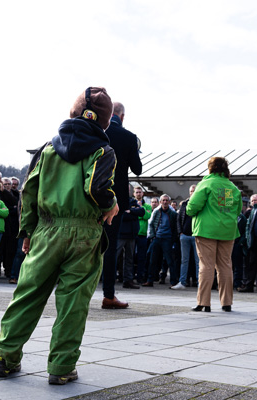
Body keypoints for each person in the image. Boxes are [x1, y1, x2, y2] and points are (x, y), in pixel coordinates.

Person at [0, 87, 119, 385]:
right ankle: (61, 368)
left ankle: (5, 358)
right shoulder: (103, 150)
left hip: (46, 230)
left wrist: (27, 231)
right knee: (73, 302)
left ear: (71, 113)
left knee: (27, 295)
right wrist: (111, 204)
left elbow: (29, 193)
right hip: (84, 233)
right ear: (107, 122)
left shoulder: (46, 150)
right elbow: (97, 188)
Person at [186, 157, 242, 312]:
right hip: (228, 230)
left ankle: (204, 302)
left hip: (206, 230)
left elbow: (191, 207)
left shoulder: (206, 184)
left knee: (206, 265)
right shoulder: (232, 187)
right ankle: (226, 303)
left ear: (210, 168)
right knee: (225, 265)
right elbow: (237, 210)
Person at [102, 101, 142, 309]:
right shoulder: (129, 137)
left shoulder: (97, 132)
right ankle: (108, 295)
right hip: (114, 199)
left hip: (89, 196)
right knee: (108, 247)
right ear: (122, 116)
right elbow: (137, 169)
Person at [143, 194, 178, 286]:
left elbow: (175, 227)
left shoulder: (173, 213)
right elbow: (151, 223)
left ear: (169, 202)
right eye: (163, 200)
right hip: (157, 238)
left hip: (167, 239)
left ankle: (173, 282)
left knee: (170, 261)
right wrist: (153, 236)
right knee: (152, 259)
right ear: (160, 202)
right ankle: (150, 280)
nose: (165, 202)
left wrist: (173, 239)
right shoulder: (156, 211)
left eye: (167, 200)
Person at [173, 185, 199, 290]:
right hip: (185, 236)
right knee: (184, 260)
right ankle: (182, 281)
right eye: (191, 191)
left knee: (198, 261)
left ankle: (199, 282)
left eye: (194, 190)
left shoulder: (200, 203)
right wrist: (180, 233)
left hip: (196, 236)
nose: (192, 192)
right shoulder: (184, 204)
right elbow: (178, 219)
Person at [118, 192, 145, 289]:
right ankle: (108, 278)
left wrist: (130, 211)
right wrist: (134, 212)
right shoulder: (117, 200)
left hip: (132, 235)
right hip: (120, 235)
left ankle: (128, 280)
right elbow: (121, 215)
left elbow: (142, 212)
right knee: (114, 257)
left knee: (129, 258)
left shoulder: (132, 201)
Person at [133, 186, 151, 283]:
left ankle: (140, 277)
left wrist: (140, 208)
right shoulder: (131, 204)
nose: (138, 194)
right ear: (134, 194)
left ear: (143, 194)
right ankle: (130, 276)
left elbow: (147, 216)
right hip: (133, 234)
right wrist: (139, 213)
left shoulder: (147, 206)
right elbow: (131, 215)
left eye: (140, 192)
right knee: (130, 256)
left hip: (142, 235)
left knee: (141, 257)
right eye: (137, 192)